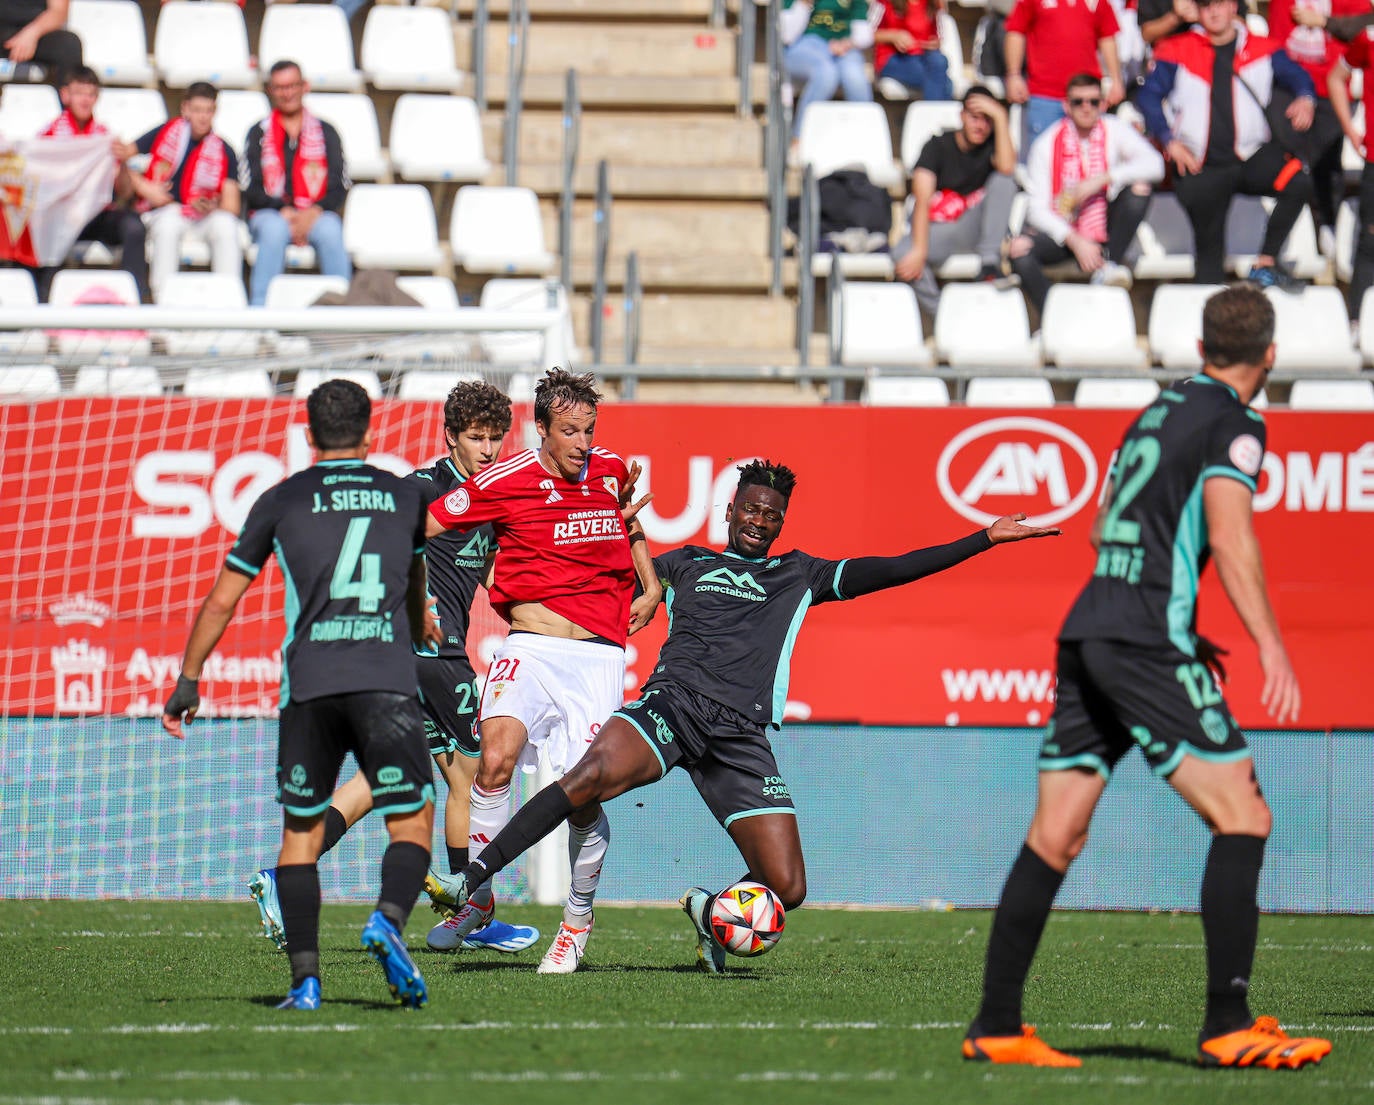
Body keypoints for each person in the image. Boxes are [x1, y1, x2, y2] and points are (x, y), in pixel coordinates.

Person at [417, 461, 1059, 974]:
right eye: (751, 508)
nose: (760, 520)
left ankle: (712, 915)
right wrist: (626, 539)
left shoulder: (798, 573)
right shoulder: (686, 563)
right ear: (731, 510)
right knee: (585, 779)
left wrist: (984, 540)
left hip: (739, 736)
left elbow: (890, 571)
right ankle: (473, 880)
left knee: (788, 885)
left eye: (771, 514)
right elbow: (618, 582)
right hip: (671, 708)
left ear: (781, 523)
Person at [963, 286, 1332, 1070]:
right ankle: (1227, 1021)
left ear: (1201, 346)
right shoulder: (1236, 421)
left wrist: (1172, 617)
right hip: (1139, 639)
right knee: (1245, 816)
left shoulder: (1157, 413)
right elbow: (1230, 534)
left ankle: (996, 1023)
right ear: (1269, 355)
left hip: (1090, 623)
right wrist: (1270, 642)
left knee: (1055, 834)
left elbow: (1104, 526)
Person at [162, 380, 438, 1012]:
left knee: (299, 836)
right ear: (372, 433)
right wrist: (421, 623)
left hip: (310, 685)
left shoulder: (282, 498)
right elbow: (415, 573)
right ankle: (388, 922)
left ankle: (306, 983)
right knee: (411, 820)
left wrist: (188, 679)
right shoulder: (404, 495)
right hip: (385, 681)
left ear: (310, 435)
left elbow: (224, 597)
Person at [246, 381, 540, 959]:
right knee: (479, 773)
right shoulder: (422, 490)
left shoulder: (490, 501)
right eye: (474, 438)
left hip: (411, 654)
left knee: (410, 780)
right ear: (449, 436)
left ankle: (285, 875)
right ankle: (473, 911)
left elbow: (497, 581)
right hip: (429, 650)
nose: (486, 449)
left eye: (494, 439)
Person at [422, 368, 662, 975]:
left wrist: (651, 582)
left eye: (590, 429)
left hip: (597, 656)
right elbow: (423, 523)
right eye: (571, 432)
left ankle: (576, 922)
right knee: (494, 757)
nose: (584, 443)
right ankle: (477, 899)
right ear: (543, 431)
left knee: (582, 798)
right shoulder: (505, 478)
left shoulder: (609, 469)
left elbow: (628, 520)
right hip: (528, 646)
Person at [1137, 0, 1317, 288]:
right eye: (1206, 5)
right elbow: (1148, 98)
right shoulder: (1176, 49)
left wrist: (1305, 98)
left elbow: (1299, 77)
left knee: (1298, 182)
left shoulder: (1262, 48)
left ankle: (1267, 261)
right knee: (1209, 262)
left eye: (1220, 3)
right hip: (1201, 164)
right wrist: (1169, 141)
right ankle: (1212, 323)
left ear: (1234, 7)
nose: (1214, 11)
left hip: (1249, 156)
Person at [1009, 72, 1163, 315]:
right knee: (1019, 250)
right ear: (1066, 106)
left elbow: (1156, 165)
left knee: (1140, 187)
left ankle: (1109, 265)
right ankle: (1055, 316)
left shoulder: (1114, 129)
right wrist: (1075, 239)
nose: (1086, 108)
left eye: (1093, 101)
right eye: (1078, 101)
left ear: (1103, 104)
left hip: (1105, 229)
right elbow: (1036, 209)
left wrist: (1102, 179)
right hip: (1065, 230)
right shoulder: (1046, 144)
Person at [895, 84, 1019, 317]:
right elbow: (922, 200)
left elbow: (1007, 168)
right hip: (937, 229)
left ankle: (989, 265)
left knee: (1005, 181)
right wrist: (919, 250)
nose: (980, 125)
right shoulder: (937, 146)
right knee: (902, 256)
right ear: (962, 116)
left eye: (987, 119)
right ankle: (947, 318)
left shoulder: (994, 146)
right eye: (974, 117)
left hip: (976, 229)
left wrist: (1001, 117)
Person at [115, 82, 243, 301]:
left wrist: (212, 205)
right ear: (185, 109)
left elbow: (232, 206)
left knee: (227, 226)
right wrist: (145, 187)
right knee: (168, 225)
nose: (203, 117)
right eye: (197, 110)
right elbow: (120, 157)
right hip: (165, 212)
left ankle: (229, 304)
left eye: (208, 111)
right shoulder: (165, 133)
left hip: (203, 217)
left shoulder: (224, 150)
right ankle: (163, 303)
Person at [240, 59, 351, 307]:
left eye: (292, 85)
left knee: (331, 231)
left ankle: (344, 312)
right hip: (270, 213)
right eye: (280, 87)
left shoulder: (326, 132)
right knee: (274, 229)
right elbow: (251, 186)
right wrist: (284, 210)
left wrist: (313, 211)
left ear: (304, 86)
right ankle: (261, 314)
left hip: (316, 213)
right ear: (271, 90)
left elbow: (339, 183)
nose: (287, 93)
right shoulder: (258, 132)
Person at [1270, 0, 1374, 258]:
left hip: (1332, 90)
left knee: (1328, 162)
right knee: (1293, 160)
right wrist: (1302, 90)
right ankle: (1296, 231)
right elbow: (1278, 47)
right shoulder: (1283, 3)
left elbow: (1364, 26)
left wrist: (1324, 22)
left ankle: (1328, 222)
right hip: (1292, 90)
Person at [35, 66, 147, 302]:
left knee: (134, 227)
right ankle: (41, 308)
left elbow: (124, 193)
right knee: (43, 228)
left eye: (91, 94)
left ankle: (138, 305)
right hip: (61, 216)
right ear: (65, 95)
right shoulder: (48, 137)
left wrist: (124, 163)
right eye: (79, 93)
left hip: (96, 214)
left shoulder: (105, 136)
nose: (85, 100)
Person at [1003, 0, 1125, 157]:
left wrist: (1116, 79)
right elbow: (1015, 30)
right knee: (1043, 159)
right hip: (1044, 95)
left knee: (1088, 159)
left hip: (1086, 98)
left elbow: (1107, 36)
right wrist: (1014, 75)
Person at [782, 0, 878, 139]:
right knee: (826, 73)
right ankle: (800, 138)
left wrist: (847, 43)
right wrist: (803, 4)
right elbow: (786, 36)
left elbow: (864, 34)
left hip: (844, 47)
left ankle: (865, 138)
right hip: (804, 46)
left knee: (855, 77)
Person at [1329, 25, 1374, 314]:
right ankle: (1359, 323)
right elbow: (1335, 78)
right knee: (1371, 242)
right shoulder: (1369, 37)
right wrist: (1350, 128)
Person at [875, 0, 954, 101]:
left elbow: (938, 36)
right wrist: (893, 36)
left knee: (939, 61)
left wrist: (933, 43)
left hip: (921, 57)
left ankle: (932, 113)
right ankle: (934, 115)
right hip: (892, 58)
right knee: (945, 84)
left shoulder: (932, 3)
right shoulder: (884, 2)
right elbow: (865, 33)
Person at [0, 0, 80, 84]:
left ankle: (72, 94)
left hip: (38, 33)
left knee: (69, 45)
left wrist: (31, 34)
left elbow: (58, 12)